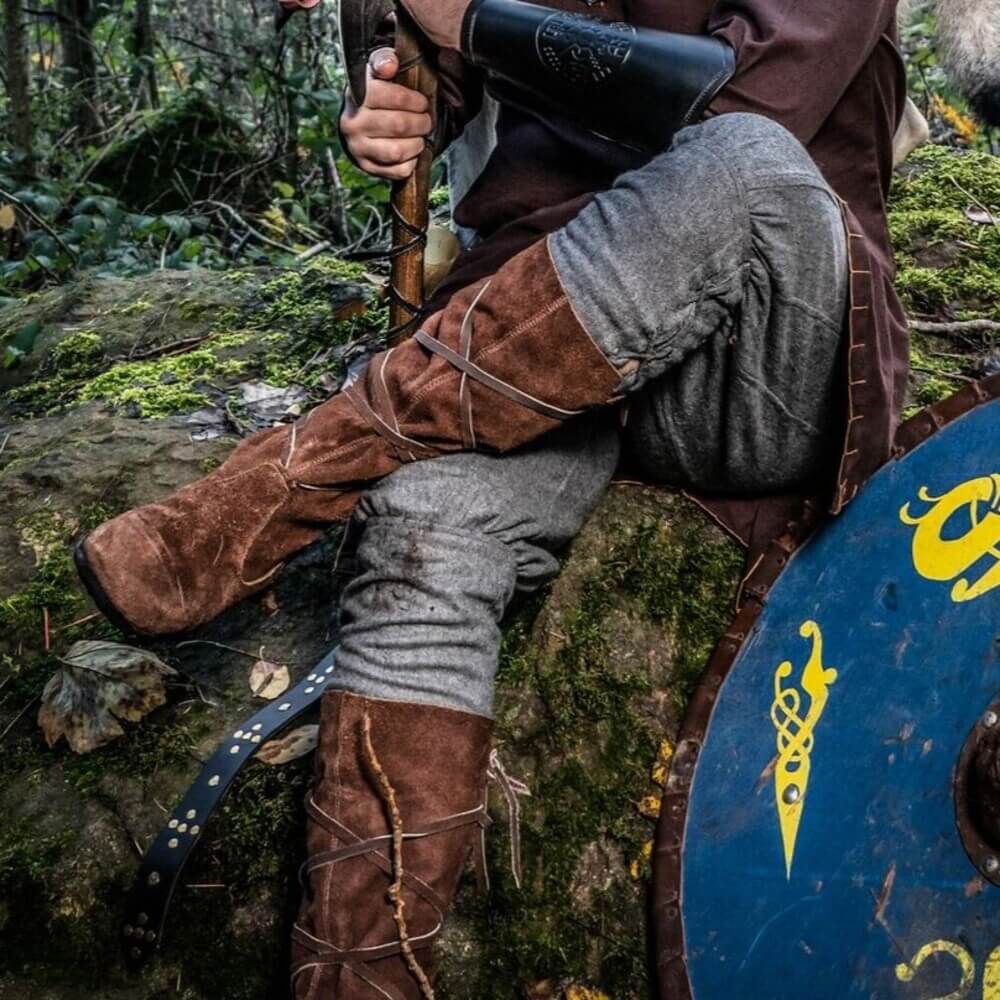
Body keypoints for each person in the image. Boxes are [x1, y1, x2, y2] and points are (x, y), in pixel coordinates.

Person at [74, 0, 909, 994]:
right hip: (540, 331)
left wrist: (463, 15)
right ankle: (357, 975)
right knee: (425, 526)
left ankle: (285, 480)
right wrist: (397, 108)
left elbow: (730, 98)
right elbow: (448, 75)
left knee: (741, 158)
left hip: (757, 346)